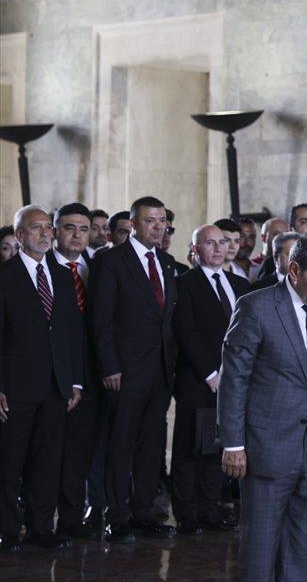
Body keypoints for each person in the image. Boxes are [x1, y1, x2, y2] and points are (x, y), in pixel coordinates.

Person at [218, 236, 307, 582]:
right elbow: (234, 380)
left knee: (303, 546)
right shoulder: (256, 306)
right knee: (260, 547)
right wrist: (233, 444)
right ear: (293, 270)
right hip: (265, 447)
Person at [91, 196, 179, 543]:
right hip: (125, 371)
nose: (158, 227)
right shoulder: (111, 261)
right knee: (121, 443)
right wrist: (110, 366)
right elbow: (102, 320)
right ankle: (117, 516)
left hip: (160, 372)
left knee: (151, 445)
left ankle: (144, 512)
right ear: (133, 223)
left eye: (162, 222)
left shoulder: (168, 262)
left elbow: (168, 321)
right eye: (150, 221)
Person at [0, 205, 84, 552]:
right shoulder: (4, 276)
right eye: (36, 228)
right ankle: (6, 530)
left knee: (48, 462)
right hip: (15, 387)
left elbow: (71, 332)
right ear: (19, 236)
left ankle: (40, 528)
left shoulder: (63, 276)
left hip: (56, 386)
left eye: (48, 227)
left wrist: (76, 381)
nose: (45, 233)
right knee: (9, 462)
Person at [171, 225, 248, 534]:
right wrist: (211, 374)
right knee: (190, 449)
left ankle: (211, 510)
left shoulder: (239, 285)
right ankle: (187, 515)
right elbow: (185, 332)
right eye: (210, 243)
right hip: (198, 380)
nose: (218, 248)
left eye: (223, 242)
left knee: (217, 447)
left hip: (235, 382)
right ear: (195, 249)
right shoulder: (184, 284)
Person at [49, 202, 99, 540]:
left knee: (79, 455)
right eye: (69, 228)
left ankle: (70, 520)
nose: (77, 235)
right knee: (48, 453)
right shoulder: (42, 268)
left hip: (93, 377)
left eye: (84, 229)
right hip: (52, 378)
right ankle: (38, 522)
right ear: (55, 231)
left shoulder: (99, 266)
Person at [253, 217, 289, 282]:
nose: (283, 239)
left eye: (286, 235)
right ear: (263, 237)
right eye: (277, 234)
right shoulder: (252, 266)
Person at [233, 217, 261, 281]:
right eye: (242, 236)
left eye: (251, 237)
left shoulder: (260, 270)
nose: (247, 242)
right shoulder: (221, 270)